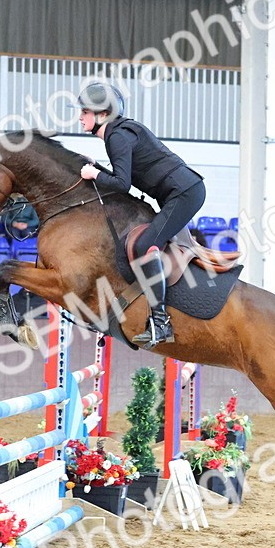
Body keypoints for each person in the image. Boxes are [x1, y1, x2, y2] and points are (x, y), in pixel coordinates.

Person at [76, 82, 204, 348]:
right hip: (179, 193)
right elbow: (124, 178)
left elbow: (122, 184)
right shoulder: (119, 133)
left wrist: (96, 174)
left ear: (102, 114)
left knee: (146, 244)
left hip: (184, 193)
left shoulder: (117, 136)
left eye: (85, 111)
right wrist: (98, 168)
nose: (80, 117)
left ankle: (160, 323)